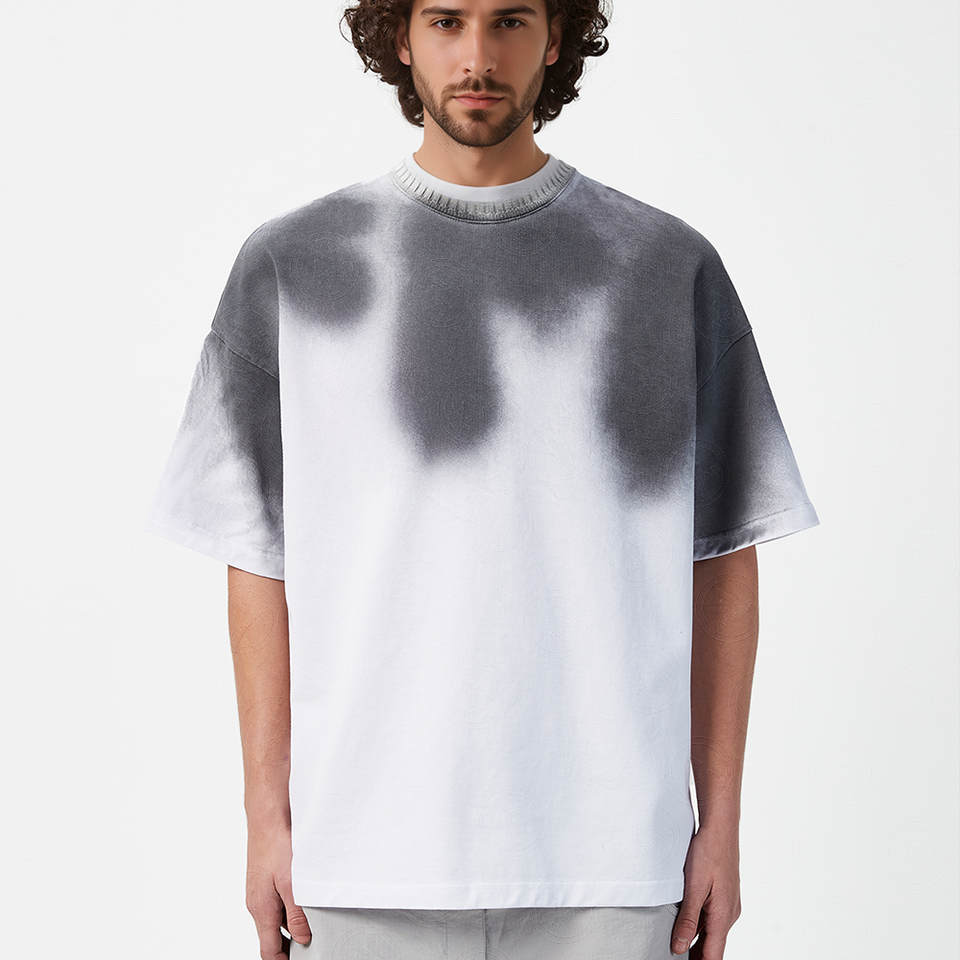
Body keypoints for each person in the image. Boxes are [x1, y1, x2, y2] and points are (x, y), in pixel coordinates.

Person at [142, 1, 820, 957]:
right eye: (446, 20)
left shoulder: (667, 269)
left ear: (557, 36)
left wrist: (723, 827)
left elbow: (723, 558)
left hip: (615, 864)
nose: (476, 56)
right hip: (364, 858)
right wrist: (265, 818)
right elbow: (257, 556)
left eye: (508, 21)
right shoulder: (293, 267)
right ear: (400, 36)